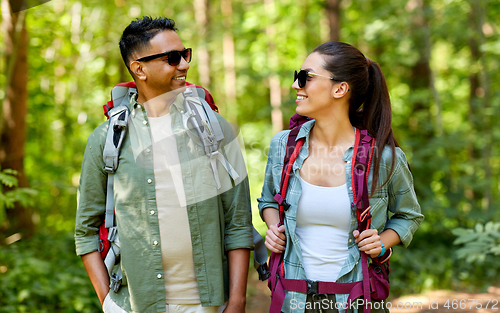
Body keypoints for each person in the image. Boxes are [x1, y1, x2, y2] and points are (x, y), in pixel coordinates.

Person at [75, 16, 254, 313]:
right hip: (135, 305)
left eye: (185, 55)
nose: (184, 64)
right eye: (172, 58)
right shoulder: (106, 139)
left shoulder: (216, 130)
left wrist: (236, 301)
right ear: (139, 69)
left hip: (207, 305)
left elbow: (238, 223)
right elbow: (85, 230)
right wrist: (107, 301)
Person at [258, 41, 424, 313]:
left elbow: (409, 215)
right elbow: (267, 200)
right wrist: (274, 228)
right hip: (293, 301)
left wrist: (383, 242)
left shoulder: (382, 158)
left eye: (306, 77)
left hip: (356, 300)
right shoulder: (283, 146)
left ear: (340, 88)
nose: (295, 86)